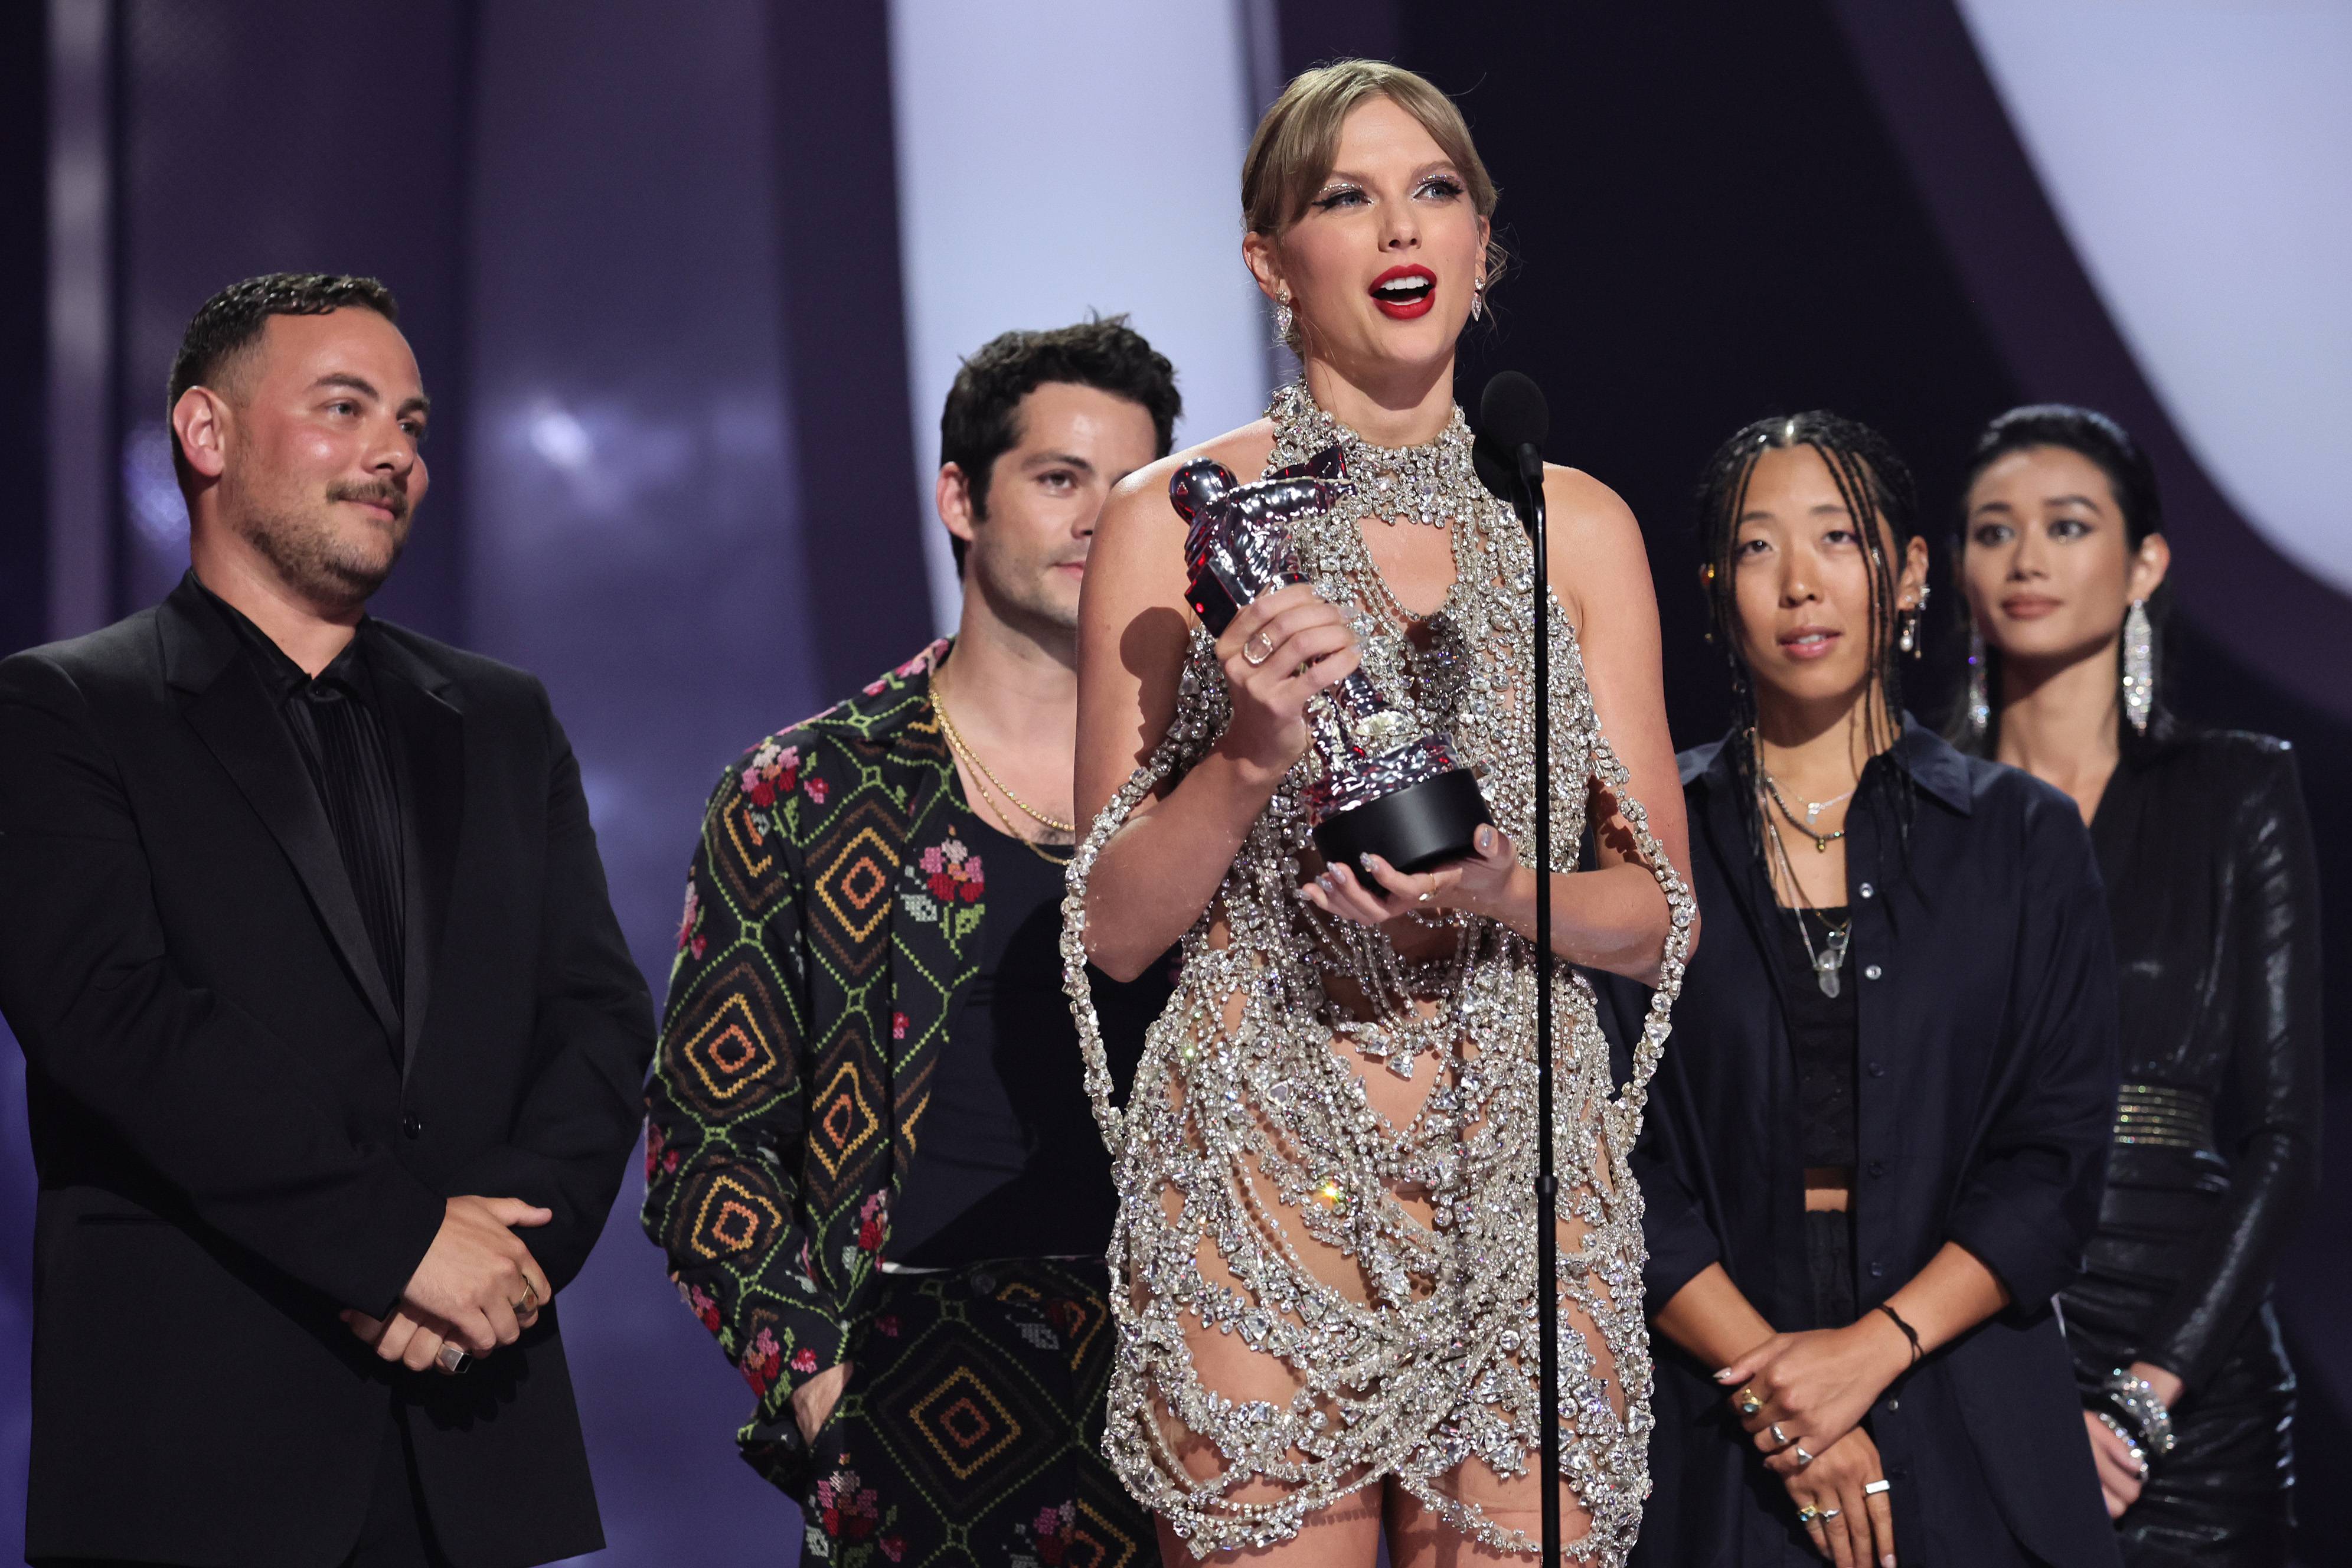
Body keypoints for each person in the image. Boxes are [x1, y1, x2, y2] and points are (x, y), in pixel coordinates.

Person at [1066, 60, 1694, 1566]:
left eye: (1434, 189)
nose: (1399, 226)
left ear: (1481, 243)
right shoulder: (1174, 521)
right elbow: (1116, 927)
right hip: (1262, 1167)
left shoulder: (1578, 524)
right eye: (1345, 196)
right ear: (1271, 261)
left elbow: (1656, 907)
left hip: (1520, 1177)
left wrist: (1496, 891)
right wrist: (1248, 755)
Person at [0, 273, 655, 1567]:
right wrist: (404, 1243)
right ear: (208, 434)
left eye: (411, 423)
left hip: (470, 1436)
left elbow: (596, 1012)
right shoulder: (64, 711)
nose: (393, 453)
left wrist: (501, 1259)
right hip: (191, 1461)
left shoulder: (503, 717)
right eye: (345, 407)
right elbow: (118, 1021)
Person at [642, 318, 1182, 1566]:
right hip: (916, 1428)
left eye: (1134, 489)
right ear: (960, 496)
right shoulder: (806, 790)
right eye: (1059, 479)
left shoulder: (1215, 787)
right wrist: (826, 1389)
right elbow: (704, 1153)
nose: (1101, 521)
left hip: (1193, 1410)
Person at [1618, 411, 2124, 1568]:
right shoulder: (1648, 837)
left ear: (1905, 574)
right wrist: (1780, 1394)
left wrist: (1873, 1347)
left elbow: (2055, 1162)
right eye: (1757, 548)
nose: (1801, 584)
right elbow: (1606, 1155)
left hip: (1966, 1395)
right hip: (1720, 1409)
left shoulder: (2021, 839)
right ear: (1711, 589)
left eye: (1838, 538)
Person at [1952, 405, 2320, 1565]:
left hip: (2188, 1402)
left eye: (2067, 525)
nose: (2027, 559)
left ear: (2145, 562)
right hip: (1972, 1351)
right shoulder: (1908, 810)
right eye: (1993, 530)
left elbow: (2282, 1134)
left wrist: (2145, 1396)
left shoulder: (2239, 791)